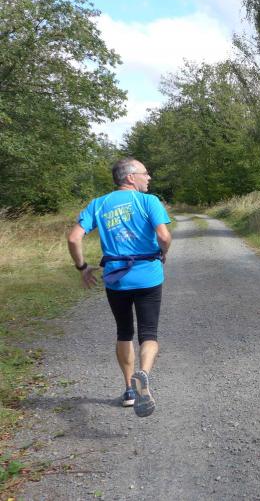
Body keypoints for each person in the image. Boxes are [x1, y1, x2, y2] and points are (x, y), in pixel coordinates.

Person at [67, 158, 171, 417]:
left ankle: (129, 391)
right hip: (148, 276)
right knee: (149, 333)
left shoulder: (98, 204)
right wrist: (163, 253)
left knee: (124, 332)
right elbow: (164, 236)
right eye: (145, 173)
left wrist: (83, 267)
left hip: (116, 279)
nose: (149, 178)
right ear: (130, 177)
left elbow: (73, 238)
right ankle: (143, 373)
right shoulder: (149, 201)